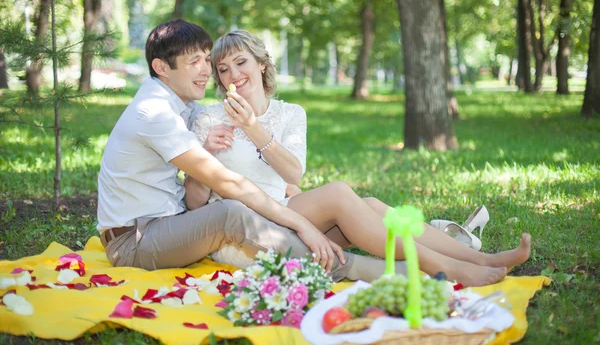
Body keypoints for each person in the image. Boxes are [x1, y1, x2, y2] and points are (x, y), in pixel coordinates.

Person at [189, 29, 532, 288]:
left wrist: (252, 126)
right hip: (244, 235)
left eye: (240, 62)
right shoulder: (209, 118)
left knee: (367, 203)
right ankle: (448, 267)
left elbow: (294, 171)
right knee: (338, 193)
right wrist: (204, 155)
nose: (233, 75)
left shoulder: (290, 113)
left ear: (261, 64)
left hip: (286, 219)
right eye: (223, 69)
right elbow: (194, 205)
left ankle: (479, 257)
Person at [97, 19, 407, 284]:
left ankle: (449, 252)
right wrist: (302, 224)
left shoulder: (180, 106)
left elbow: (279, 173)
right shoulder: (154, 113)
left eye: (207, 61)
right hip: (135, 241)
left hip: (165, 224)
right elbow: (227, 185)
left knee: (357, 205)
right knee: (231, 211)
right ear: (161, 67)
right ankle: (367, 271)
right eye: (196, 62)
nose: (208, 72)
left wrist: (292, 194)